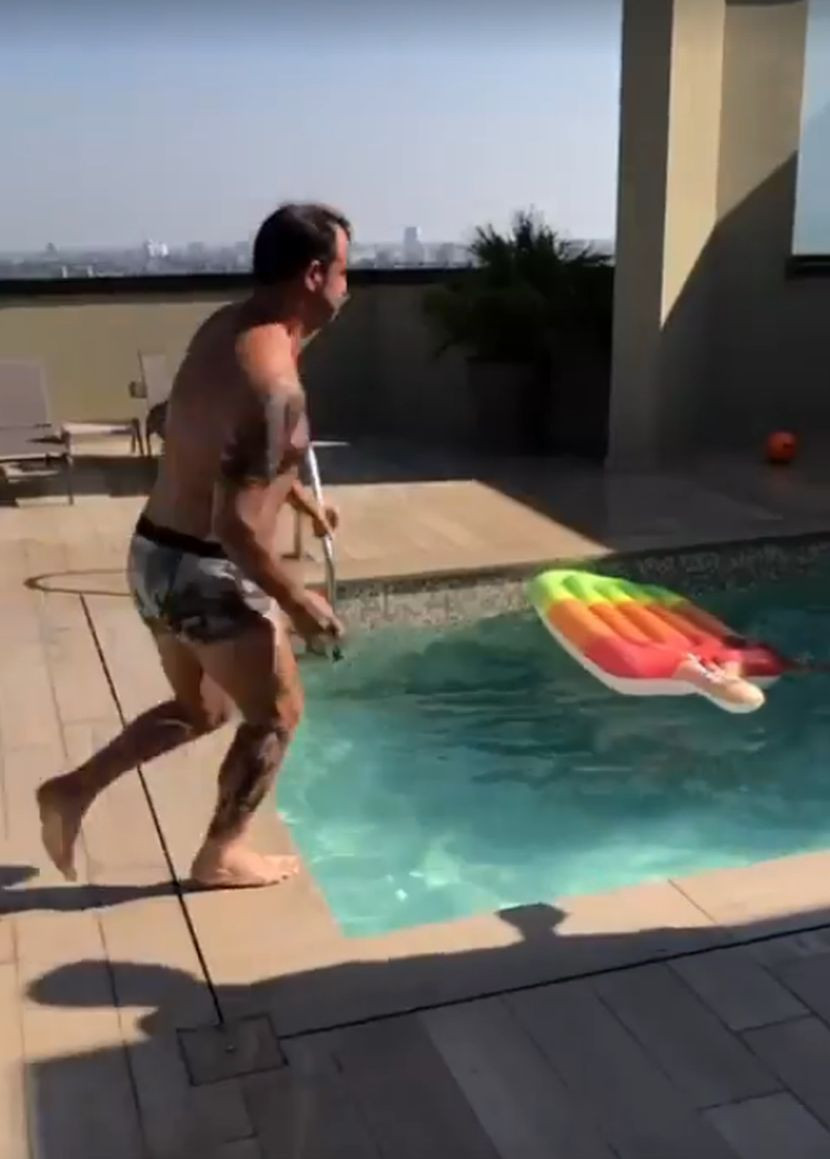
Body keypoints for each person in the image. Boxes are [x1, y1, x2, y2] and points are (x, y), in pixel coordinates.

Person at [37, 202, 349, 888]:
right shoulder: (277, 387)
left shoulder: (226, 328)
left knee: (202, 709)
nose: (348, 288)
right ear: (314, 274)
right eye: (344, 272)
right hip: (207, 574)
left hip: (154, 555)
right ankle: (222, 853)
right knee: (278, 713)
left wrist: (298, 497)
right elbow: (235, 526)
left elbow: (205, 435)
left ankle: (72, 790)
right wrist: (299, 602)